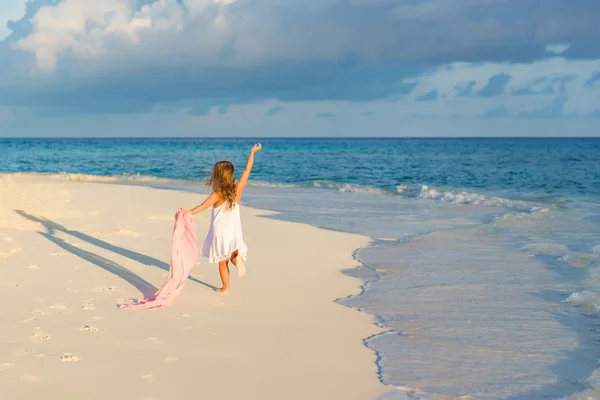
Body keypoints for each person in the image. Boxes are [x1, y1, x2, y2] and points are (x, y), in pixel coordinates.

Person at [183, 143, 262, 293]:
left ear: (217, 176)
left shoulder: (218, 193)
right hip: (234, 231)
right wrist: (252, 152)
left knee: (221, 261)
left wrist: (188, 212)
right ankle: (236, 259)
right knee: (232, 253)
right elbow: (247, 170)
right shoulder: (237, 189)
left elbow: (203, 206)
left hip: (220, 232)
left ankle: (226, 287)